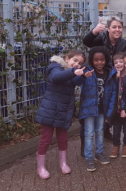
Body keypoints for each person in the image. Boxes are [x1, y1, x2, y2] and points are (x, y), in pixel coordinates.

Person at [35, 50, 88, 179]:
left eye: (79, 63)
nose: (76, 64)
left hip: (64, 111)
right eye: (75, 60)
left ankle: (63, 163)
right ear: (67, 58)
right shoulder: (55, 67)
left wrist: (83, 76)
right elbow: (56, 78)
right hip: (50, 110)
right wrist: (73, 72)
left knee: (63, 139)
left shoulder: (71, 72)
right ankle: (40, 167)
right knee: (46, 139)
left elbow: (73, 82)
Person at [82, 16, 126, 142]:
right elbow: (86, 42)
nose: (117, 30)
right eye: (114, 27)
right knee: (98, 103)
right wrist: (94, 31)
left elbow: (122, 59)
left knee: (110, 103)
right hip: (98, 75)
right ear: (108, 29)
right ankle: (87, 139)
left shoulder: (123, 43)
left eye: (119, 27)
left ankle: (105, 129)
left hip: (112, 75)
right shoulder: (101, 38)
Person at [78, 46, 117, 172]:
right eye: (96, 60)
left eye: (102, 59)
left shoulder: (111, 74)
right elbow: (76, 82)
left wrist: (110, 114)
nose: (99, 62)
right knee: (89, 133)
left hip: (102, 110)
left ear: (106, 60)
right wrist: (83, 76)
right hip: (88, 109)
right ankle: (89, 156)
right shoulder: (87, 72)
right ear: (91, 60)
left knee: (100, 131)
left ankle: (99, 153)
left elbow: (113, 95)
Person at [110, 53, 126, 159]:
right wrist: (115, 78)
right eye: (116, 63)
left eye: (120, 62)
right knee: (116, 129)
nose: (118, 64)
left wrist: (125, 109)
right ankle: (116, 146)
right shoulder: (113, 77)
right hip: (116, 109)